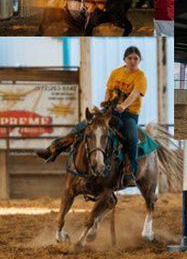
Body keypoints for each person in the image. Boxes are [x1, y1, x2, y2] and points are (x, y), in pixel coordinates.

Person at [36, 46, 147, 187]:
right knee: (83, 126)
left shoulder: (140, 76)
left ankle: (129, 171)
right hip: (111, 110)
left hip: (129, 114)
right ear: (124, 59)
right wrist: (107, 102)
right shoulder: (116, 73)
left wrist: (123, 106)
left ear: (139, 60)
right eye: (130, 58)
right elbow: (109, 89)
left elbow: (135, 94)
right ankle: (53, 149)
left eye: (136, 58)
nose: (133, 61)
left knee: (131, 137)